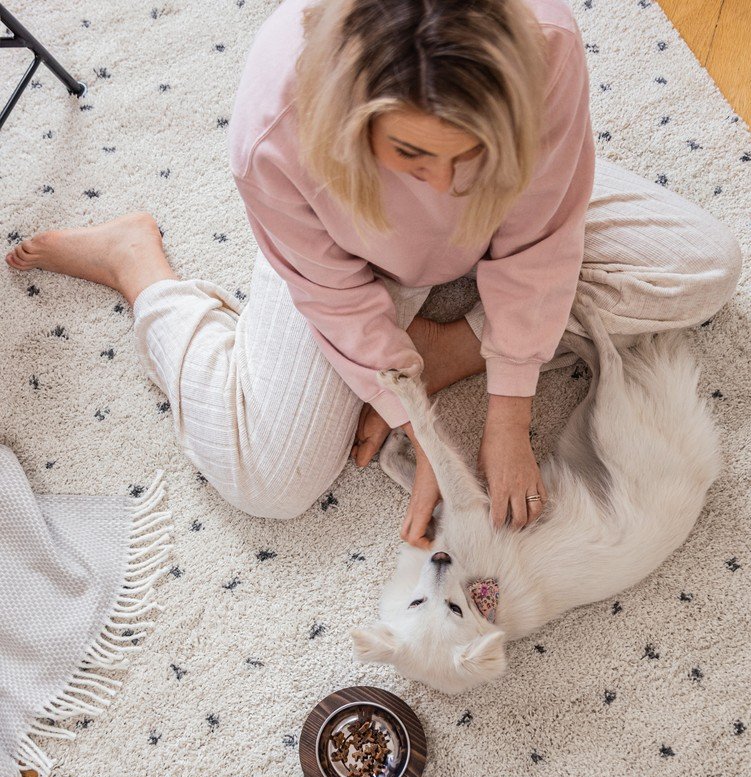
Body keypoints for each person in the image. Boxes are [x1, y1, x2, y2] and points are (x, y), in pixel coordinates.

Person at [6, 0, 741, 551]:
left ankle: (449, 345)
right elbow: (329, 289)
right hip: (348, 257)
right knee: (269, 480)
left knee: (703, 266)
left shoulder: (542, 42)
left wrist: (508, 410)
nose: (447, 186)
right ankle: (138, 267)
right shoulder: (275, 130)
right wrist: (415, 421)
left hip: (512, 201)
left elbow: (541, 229)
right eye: (413, 154)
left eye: (468, 152)